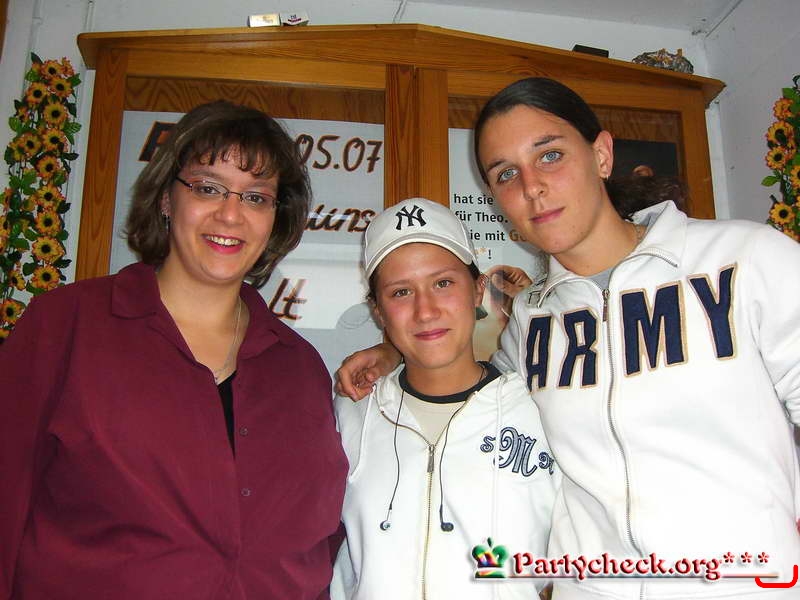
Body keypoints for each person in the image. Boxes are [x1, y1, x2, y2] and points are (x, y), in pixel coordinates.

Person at [336, 78, 800, 599]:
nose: (531, 186)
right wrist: (392, 348)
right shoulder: (532, 320)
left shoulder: (745, 262)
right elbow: (466, 378)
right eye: (506, 173)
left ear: (601, 155)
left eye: (550, 155)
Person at [0, 100, 347, 599]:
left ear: (276, 217)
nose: (231, 214)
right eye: (207, 187)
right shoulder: (66, 325)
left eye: (256, 197)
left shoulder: (300, 367)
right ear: (166, 198)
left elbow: (317, 540)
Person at [330, 198, 559, 599]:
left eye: (443, 283)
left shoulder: (543, 409)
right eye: (401, 292)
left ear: (478, 289)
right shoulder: (350, 413)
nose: (425, 310)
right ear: (378, 311)